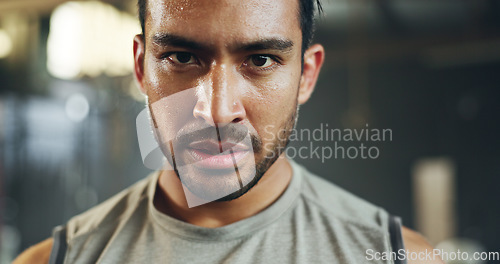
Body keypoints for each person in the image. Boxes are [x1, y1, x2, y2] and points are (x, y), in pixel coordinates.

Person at [15, 0, 443, 263]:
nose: (217, 111)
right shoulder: (58, 260)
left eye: (260, 60)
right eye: (181, 56)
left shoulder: (400, 258)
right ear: (141, 66)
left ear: (307, 76)